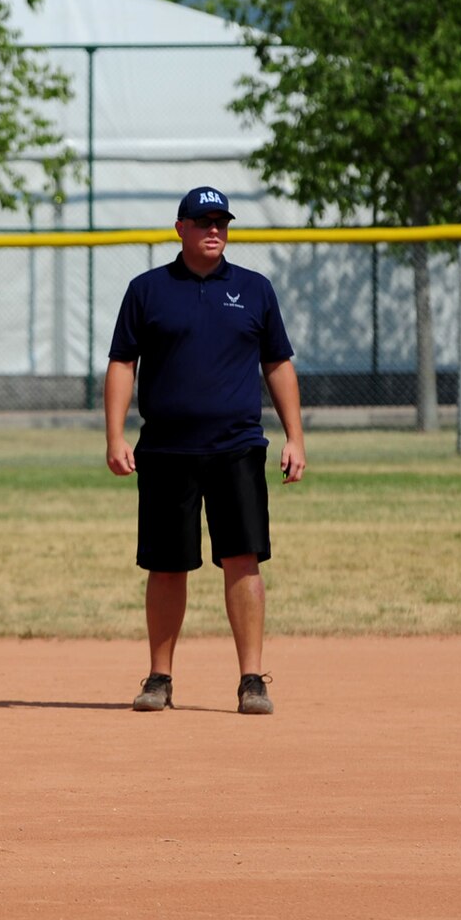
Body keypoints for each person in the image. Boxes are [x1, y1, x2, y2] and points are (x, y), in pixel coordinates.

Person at [104, 185, 305, 714]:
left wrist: (296, 436)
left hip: (237, 447)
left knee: (242, 560)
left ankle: (252, 681)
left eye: (222, 221)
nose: (214, 229)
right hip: (167, 450)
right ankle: (159, 679)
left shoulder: (255, 289)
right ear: (181, 229)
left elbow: (278, 364)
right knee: (167, 565)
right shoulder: (148, 290)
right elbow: (123, 362)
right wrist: (114, 434)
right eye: (203, 221)